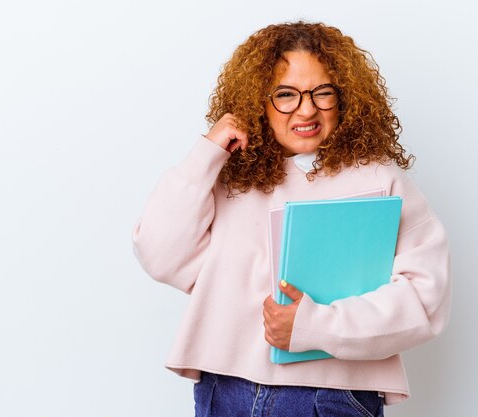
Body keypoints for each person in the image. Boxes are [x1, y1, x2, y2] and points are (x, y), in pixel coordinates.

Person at [132, 21, 451, 417]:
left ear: (345, 97)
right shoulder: (228, 175)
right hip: (225, 389)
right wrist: (206, 154)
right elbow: (161, 254)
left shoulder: (379, 177)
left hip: (331, 396)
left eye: (323, 93)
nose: (306, 109)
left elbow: (425, 299)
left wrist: (317, 326)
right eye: (285, 94)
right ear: (257, 101)